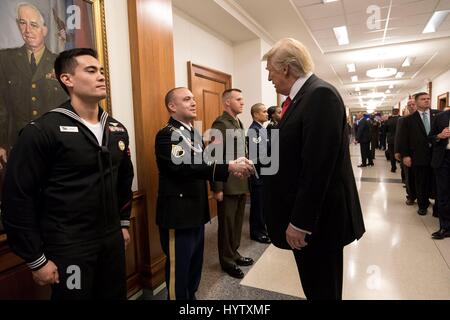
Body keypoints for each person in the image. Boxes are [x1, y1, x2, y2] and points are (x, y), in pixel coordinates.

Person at [1, 48, 134, 299]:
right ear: (67, 79)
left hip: (111, 240)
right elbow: (17, 197)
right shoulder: (42, 130)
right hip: (69, 246)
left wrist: (123, 222)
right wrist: (36, 260)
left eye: (102, 71)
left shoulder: (116, 129)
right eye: (91, 71)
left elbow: (124, 178)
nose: (101, 76)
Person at [262, 38, 365, 300]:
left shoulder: (320, 95)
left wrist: (300, 222)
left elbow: (318, 167)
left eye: (270, 70)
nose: (269, 78)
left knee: (323, 290)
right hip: (311, 219)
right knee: (315, 288)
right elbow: (294, 155)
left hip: (318, 224)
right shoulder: (301, 99)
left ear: (285, 68)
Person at [155, 87, 253, 300]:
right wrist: (228, 167)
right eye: (186, 99)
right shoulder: (168, 135)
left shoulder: (193, 133)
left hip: (196, 212)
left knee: (193, 268)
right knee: (179, 272)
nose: (193, 102)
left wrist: (227, 166)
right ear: (172, 106)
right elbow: (186, 166)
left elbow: (206, 161)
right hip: (178, 216)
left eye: (193, 98)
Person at [0, 3, 67, 155]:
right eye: (23, 23)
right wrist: (1, 143)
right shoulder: (4, 60)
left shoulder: (61, 63)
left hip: (53, 147)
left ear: (45, 30)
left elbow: (68, 109)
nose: (27, 30)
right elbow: (1, 107)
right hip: (16, 146)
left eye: (34, 25)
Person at [211, 89, 254, 279]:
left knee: (236, 223)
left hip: (239, 182)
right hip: (227, 184)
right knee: (227, 225)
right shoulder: (220, 124)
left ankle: (234, 253)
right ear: (227, 102)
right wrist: (217, 188)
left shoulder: (237, 122)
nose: (242, 102)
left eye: (242, 99)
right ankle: (227, 260)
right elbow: (214, 157)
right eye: (238, 99)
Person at [398, 92, 439, 216]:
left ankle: (438, 207)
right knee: (421, 181)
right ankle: (423, 205)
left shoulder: (438, 115)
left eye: (428, 99)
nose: (427, 101)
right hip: (418, 155)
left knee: (437, 181)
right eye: (423, 99)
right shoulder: (409, 120)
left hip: (437, 155)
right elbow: (404, 139)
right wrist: (405, 155)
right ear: (416, 102)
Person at [248, 103, 271, 244]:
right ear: (256, 114)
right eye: (264, 112)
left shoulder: (262, 129)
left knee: (263, 205)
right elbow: (257, 155)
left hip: (265, 174)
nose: (267, 114)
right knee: (257, 206)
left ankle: (263, 229)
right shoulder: (253, 131)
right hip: (258, 175)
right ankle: (257, 232)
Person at [429, 109, 450, 239]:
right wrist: (439, 136)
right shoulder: (441, 117)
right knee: (443, 194)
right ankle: (445, 227)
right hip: (444, 159)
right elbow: (430, 137)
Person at [385, 108, 401, 172]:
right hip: (400, 139)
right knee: (400, 152)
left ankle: (393, 167)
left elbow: (385, 130)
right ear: (398, 112)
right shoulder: (401, 119)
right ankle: (402, 167)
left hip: (391, 139)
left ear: (392, 112)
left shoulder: (389, 120)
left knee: (392, 154)